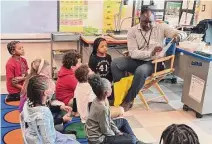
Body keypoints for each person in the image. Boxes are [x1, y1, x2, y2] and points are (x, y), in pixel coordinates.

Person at [111, 6, 187, 111]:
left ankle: (128, 100)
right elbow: (133, 53)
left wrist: (179, 36)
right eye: (144, 22)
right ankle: (120, 92)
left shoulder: (161, 27)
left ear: (154, 20)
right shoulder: (132, 31)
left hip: (155, 63)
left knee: (140, 71)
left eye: (150, 22)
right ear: (139, 20)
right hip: (137, 60)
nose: (147, 25)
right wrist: (150, 52)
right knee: (115, 63)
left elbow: (183, 33)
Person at [85, 74, 146, 144]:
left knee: (123, 121)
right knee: (132, 139)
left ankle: (136, 141)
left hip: (102, 128)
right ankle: (136, 141)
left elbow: (109, 119)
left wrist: (117, 130)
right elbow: (106, 130)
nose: (112, 88)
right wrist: (117, 136)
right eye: (110, 88)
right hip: (99, 139)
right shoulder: (102, 109)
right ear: (106, 93)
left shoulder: (101, 99)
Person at [20, 75, 79, 144]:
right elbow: (48, 141)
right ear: (46, 93)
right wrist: (62, 120)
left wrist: (60, 107)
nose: (53, 91)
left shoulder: (29, 102)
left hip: (34, 135)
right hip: (45, 139)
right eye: (52, 90)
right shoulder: (44, 113)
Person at [19, 59, 72, 132]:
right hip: (36, 128)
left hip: (33, 120)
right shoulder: (38, 99)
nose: (49, 74)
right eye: (47, 72)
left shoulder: (34, 84)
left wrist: (60, 107)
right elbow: (43, 121)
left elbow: (46, 106)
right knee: (59, 126)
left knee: (59, 114)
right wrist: (62, 120)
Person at [56, 50, 81, 114]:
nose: (81, 64)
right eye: (79, 63)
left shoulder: (65, 70)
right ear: (72, 67)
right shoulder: (69, 77)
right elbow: (81, 87)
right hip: (67, 102)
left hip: (64, 99)